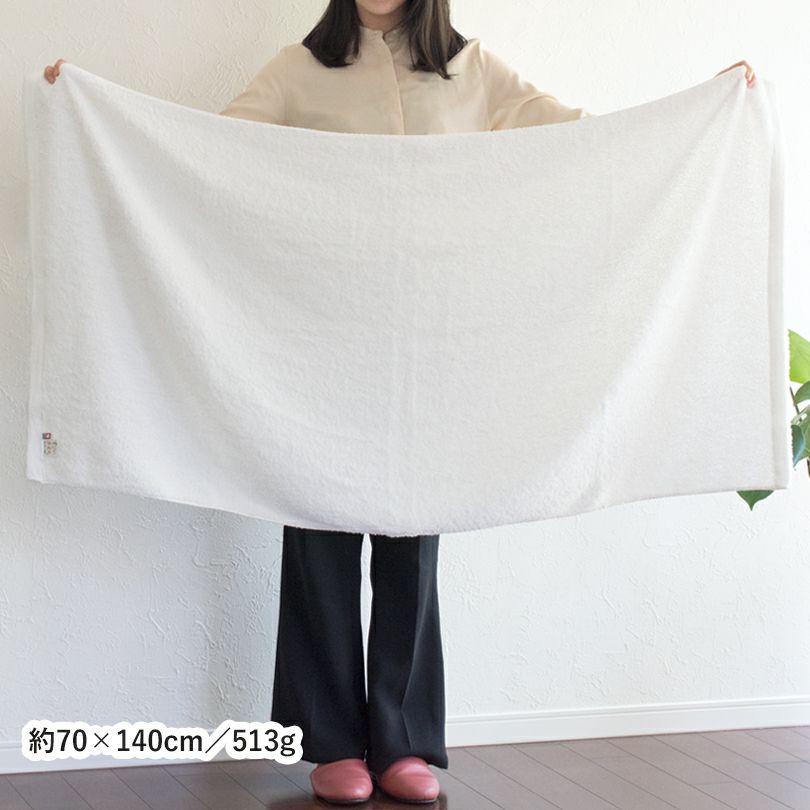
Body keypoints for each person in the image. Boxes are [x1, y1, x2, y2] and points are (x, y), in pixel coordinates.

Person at [43, 1, 757, 804]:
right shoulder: (299, 70)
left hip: (434, 354)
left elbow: (585, 146)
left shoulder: (473, 70)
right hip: (315, 351)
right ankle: (330, 742)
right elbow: (205, 156)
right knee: (317, 538)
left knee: (412, 546)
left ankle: (403, 740)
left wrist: (704, 113)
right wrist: (93, 109)